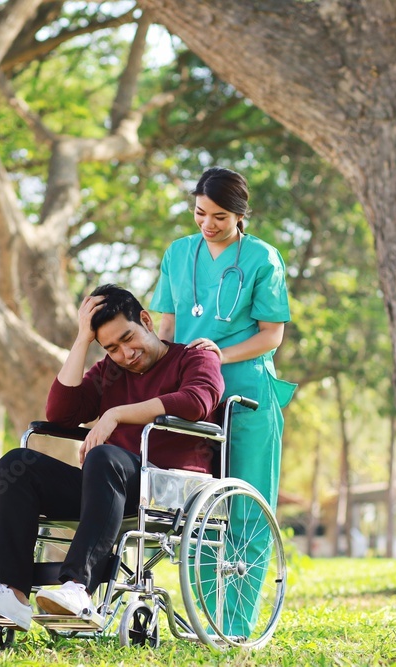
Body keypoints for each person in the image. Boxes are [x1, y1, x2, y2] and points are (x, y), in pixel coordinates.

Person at [0, 284, 224, 631]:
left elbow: (197, 401)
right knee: (18, 465)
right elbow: (60, 413)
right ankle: (10, 593)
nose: (126, 354)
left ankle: (78, 588)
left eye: (128, 338)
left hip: (167, 485)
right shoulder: (110, 370)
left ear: (146, 320)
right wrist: (81, 340)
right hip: (105, 486)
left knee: (104, 456)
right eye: (112, 348)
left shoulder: (194, 357)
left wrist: (117, 414)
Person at [151, 166, 296, 636]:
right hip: (193, 396)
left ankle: (234, 626)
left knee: (246, 510)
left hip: (248, 396)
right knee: (198, 513)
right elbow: (166, 330)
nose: (207, 224)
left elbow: (271, 335)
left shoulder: (262, 257)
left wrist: (221, 352)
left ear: (239, 215)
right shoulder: (178, 254)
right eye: (200, 213)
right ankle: (205, 620)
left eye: (219, 216)